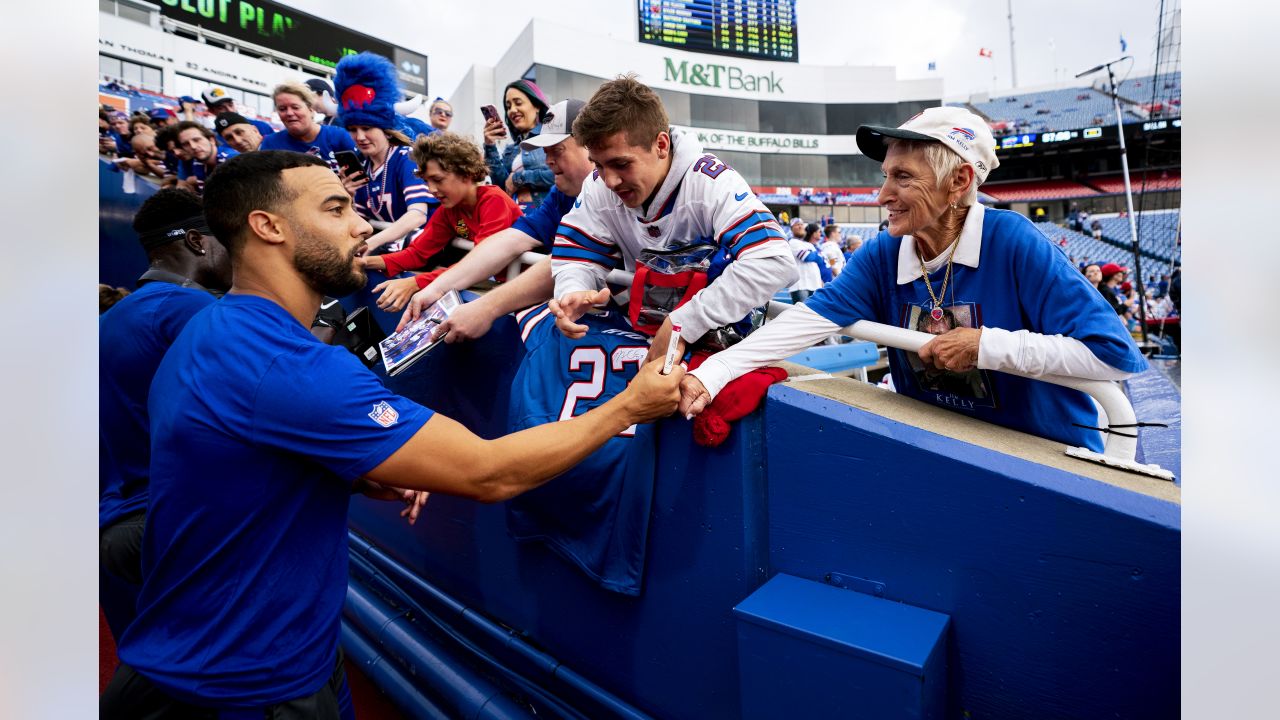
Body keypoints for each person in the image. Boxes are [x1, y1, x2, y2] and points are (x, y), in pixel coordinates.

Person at [100, 150, 683, 718]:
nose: (360, 226)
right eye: (334, 209)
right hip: (244, 684)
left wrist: (354, 477)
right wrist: (628, 406)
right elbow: (490, 471)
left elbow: (239, 459)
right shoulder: (286, 364)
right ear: (267, 226)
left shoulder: (214, 328)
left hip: (211, 654)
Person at [679, 106, 1148, 452]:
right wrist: (714, 373)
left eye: (903, 177)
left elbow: (1115, 355)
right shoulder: (886, 251)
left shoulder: (1013, 241)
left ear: (960, 181)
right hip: (938, 447)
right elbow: (808, 319)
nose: (883, 194)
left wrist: (985, 345)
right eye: (885, 176)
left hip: (1046, 457)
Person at [547, 74, 796, 365]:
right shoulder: (597, 186)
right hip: (642, 331)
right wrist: (573, 292)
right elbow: (576, 257)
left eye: (621, 164)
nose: (610, 180)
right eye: (599, 165)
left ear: (661, 145)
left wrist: (683, 323)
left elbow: (775, 262)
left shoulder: (710, 183)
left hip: (717, 344)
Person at [99, 188, 233, 640]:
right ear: (198, 242)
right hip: (175, 525)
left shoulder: (112, 318)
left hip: (117, 521)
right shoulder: (189, 306)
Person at [398, 98, 591, 333]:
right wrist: (436, 287)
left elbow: (565, 259)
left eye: (557, 150)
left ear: (591, 146)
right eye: (546, 152)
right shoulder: (560, 194)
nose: (549, 161)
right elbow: (511, 239)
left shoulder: (607, 191)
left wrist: (487, 307)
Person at [360, 131, 522, 312]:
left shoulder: (494, 201)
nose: (431, 190)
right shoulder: (449, 209)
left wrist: (415, 283)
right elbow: (416, 254)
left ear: (466, 174)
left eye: (437, 180)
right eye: (427, 181)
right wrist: (363, 263)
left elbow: (479, 263)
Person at [333, 52, 437, 255]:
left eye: (367, 128)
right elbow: (360, 223)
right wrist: (349, 197)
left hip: (423, 248)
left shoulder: (405, 156)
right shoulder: (363, 168)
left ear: (385, 130)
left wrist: (371, 244)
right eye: (353, 129)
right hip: (388, 250)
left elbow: (417, 215)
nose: (360, 136)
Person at [483, 79, 555, 208]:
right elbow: (501, 187)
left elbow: (558, 176)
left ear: (536, 105)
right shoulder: (510, 149)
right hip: (516, 217)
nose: (512, 110)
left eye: (518, 103)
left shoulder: (551, 138)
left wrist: (519, 178)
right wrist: (490, 145)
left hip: (547, 216)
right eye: (508, 106)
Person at [258, 81, 357, 172]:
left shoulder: (339, 136)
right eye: (282, 109)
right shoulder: (271, 144)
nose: (289, 113)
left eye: (295, 107)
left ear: (310, 109)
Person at [174, 120, 237, 195]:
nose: (193, 146)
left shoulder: (231, 160)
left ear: (211, 140)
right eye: (186, 144)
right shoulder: (197, 162)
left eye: (196, 140)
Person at [201, 85, 275, 137]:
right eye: (221, 108)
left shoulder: (261, 126)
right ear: (211, 111)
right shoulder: (215, 137)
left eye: (230, 105)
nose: (229, 110)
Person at [788, 223, 825, 304]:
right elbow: (806, 257)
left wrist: (814, 255)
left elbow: (821, 260)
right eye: (797, 225)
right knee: (802, 314)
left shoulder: (809, 244)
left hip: (815, 284)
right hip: (800, 285)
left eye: (801, 225)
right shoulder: (792, 242)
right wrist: (815, 255)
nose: (800, 226)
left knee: (814, 313)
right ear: (791, 229)